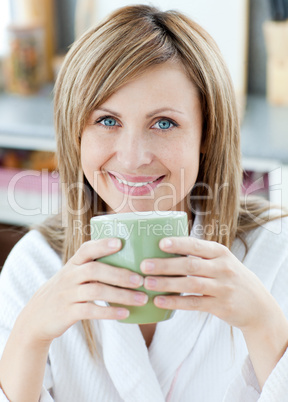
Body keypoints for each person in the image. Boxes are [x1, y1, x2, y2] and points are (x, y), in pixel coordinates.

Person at [0, 4, 288, 401]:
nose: (134, 157)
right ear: (75, 132)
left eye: (164, 123)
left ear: (206, 134)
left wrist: (264, 323)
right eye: (107, 121)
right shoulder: (34, 269)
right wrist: (29, 337)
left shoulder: (275, 253)